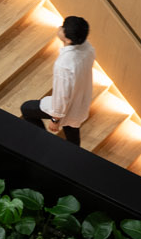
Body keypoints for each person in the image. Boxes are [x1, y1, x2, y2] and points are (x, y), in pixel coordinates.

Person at [21, 15, 96, 148]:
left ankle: (42, 143)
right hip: (81, 101)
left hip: (68, 106)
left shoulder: (64, 64)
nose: (60, 28)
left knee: (27, 109)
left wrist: (55, 119)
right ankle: (74, 153)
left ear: (67, 39)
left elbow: (62, 96)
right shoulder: (88, 48)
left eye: (63, 28)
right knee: (72, 130)